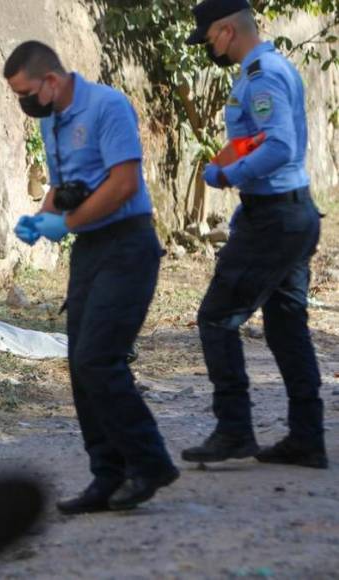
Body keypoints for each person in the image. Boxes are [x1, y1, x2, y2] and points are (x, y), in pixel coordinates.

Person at [5, 41, 179, 512]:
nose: (22, 101)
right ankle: (107, 475)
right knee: (82, 365)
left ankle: (151, 463)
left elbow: (123, 185)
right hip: (90, 250)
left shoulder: (108, 107)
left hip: (128, 244)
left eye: (24, 91)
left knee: (99, 358)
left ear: (52, 81)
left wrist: (68, 223)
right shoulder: (50, 119)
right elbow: (65, 188)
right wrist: (41, 218)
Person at [182, 0, 326, 469]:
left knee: (216, 318)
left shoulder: (261, 74)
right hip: (290, 215)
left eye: (207, 41)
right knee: (286, 328)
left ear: (225, 31)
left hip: (274, 220)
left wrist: (227, 176)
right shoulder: (263, 69)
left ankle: (234, 430)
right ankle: (307, 439)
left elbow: (280, 145)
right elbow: (258, 137)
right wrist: (226, 158)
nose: (209, 50)